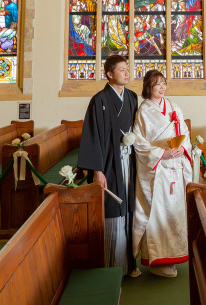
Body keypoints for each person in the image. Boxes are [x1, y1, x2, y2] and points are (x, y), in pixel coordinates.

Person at [77, 55, 141, 278]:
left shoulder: (132, 97)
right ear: (109, 74)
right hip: (109, 164)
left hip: (129, 162)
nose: (126, 72)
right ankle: (113, 267)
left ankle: (130, 263)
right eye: (121, 69)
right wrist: (97, 171)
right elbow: (92, 137)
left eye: (127, 68)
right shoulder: (99, 100)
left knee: (129, 208)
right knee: (113, 208)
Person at [132, 70, 192, 278]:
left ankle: (174, 255)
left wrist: (182, 149)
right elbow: (139, 143)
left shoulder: (174, 107)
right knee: (158, 213)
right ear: (149, 86)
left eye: (164, 83)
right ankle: (157, 260)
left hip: (176, 167)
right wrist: (161, 154)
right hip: (158, 171)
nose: (162, 87)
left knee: (175, 212)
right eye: (157, 84)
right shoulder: (143, 112)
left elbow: (184, 132)